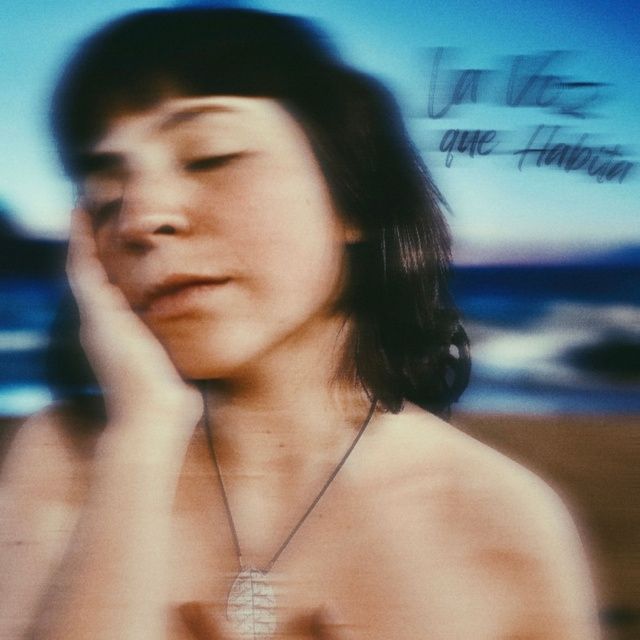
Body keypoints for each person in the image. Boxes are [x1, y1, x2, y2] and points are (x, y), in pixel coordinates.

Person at [0, 7, 599, 640]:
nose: (139, 218)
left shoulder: (502, 519)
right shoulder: (63, 459)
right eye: (104, 192)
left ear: (353, 198)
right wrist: (143, 433)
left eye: (209, 156)